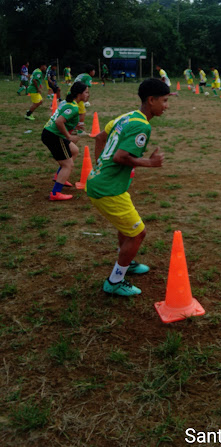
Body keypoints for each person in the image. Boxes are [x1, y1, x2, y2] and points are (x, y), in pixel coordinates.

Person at [86, 78, 169, 297]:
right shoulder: (142, 125)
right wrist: (150, 163)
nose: (166, 106)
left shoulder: (128, 116)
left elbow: (100, 137)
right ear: (151, 100)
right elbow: (120, 157)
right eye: (164, 101)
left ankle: (127, 262)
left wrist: (99, 165)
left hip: (102, 183)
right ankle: (114, 281)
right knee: (138, 234)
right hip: (108, 190)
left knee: (126, 228)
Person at [41, 81, 88, 200]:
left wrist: (74, 127)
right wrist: (69, 136)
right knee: (68, 165)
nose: (88, 95)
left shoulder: (68, 103)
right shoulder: (73, 107)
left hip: (49, 133)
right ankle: (55, 193)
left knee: (74, 150)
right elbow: (59, 122)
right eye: (86, 92)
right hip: (54, 136)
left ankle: (59, 176)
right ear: (79, 94)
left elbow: (61, 119)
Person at [73, 65, 96, 135]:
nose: (94, 72)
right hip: (78, 95)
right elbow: (86, 87)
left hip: (71, 93)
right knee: (82, 112)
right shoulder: (88, 77)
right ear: (90, 71)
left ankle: (73, 128)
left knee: (74, 111)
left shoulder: (81, 75)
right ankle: (80, 130)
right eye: (93, 70)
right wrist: (86, 99)